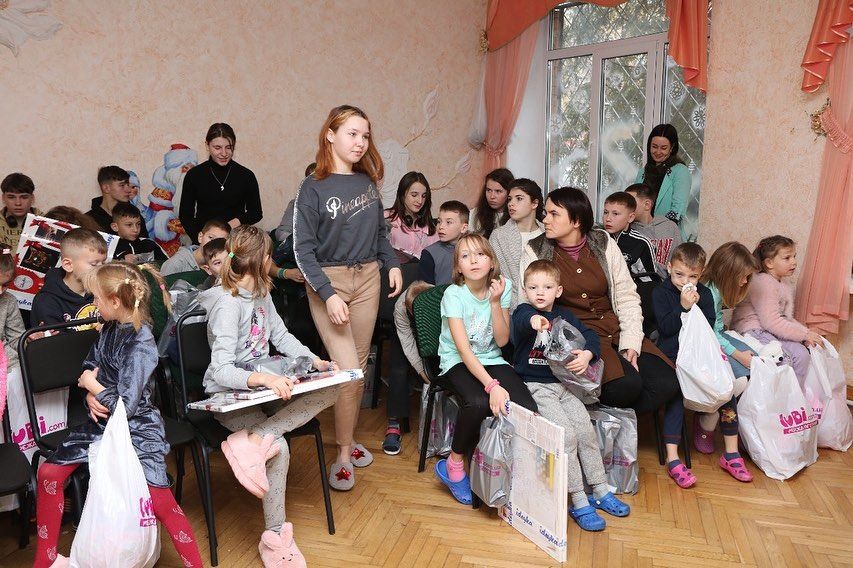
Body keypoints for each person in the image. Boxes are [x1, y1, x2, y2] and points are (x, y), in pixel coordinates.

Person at [32, 262, 203, 568]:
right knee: (48, 474)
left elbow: (127, 404)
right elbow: (91, 364)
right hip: (101, 424)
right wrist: (90, 393)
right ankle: (45, 559)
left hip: (137, 430)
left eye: (96, 298)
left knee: (160, 503)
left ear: (114, 301)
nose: (93, 303)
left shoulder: (141, 342)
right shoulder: (109, 328)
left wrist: (94, 387)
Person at [523, 187, 688, 487]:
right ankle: (587, 410)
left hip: (615, 328)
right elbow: (528, 303)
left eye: (553, 213)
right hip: (579, 337)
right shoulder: (536, 249)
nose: (545, 219)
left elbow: (626, 296)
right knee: (628, 385)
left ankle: (593, 409)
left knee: (668, 382)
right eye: (546, 212)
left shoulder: (602, 242)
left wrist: (631, 344)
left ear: (576, 220)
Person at [199, 226, 339, 566]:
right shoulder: (227, 304)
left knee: (333, 387)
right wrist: (262, 378)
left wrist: (315, 361)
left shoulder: (261, 293)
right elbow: (221, 370)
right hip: (231, 395)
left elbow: (281, 336)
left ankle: (257, 437)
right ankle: (275, 538)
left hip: (264, 387)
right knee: (279, 447)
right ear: (263, 260)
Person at [293, 105, 402, 491]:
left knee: (359, 371)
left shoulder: (367, 183)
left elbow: (380, 234)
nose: (360, 142)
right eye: (352, 134)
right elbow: (302, 251)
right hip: (330, 281)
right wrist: (327, 294)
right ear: (330, 135)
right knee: (348, 371)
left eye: (365, 135)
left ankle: (348, 440)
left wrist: (391, 263)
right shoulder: (312, 187)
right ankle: (342, 454)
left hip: (368, 278)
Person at [512, 260, 630, 530]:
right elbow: (522, 321)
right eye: (533, 287)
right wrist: (535, 321)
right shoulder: (523, 311)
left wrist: (587, 354)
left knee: (585, 432)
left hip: (564, 386)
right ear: (525, 290)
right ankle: (578, 499)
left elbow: (591, 336)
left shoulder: (564, 317)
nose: (539, 292)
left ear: (558, 290)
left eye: (547, 287)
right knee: (566, 437)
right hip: (536, 386)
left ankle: (599, 489)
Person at [434, 234, 538, 505]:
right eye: (465, 256)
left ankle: (512, 467)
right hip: (456, 361)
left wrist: (495, 302)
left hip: (492, 358)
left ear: (491, 261)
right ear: (458, 267)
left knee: (526, 406)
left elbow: (502, 341)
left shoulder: (503, 287)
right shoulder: (453, 295)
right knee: (479, 402)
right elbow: (464, 350)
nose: (473, 261)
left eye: (480, 254)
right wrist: (492, 386)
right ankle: (454, 463)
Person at [652, 243, 752, 482]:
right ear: (669, 267)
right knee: (677, 393)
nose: (685, 281)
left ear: (701, 274)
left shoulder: (705, 294)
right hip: (672, 356)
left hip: (701, 356)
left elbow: (707, 331)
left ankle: (731, 454)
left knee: (727, 390)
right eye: (679, 274)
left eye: (693, 276)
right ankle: (673, 458)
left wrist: (695, 305)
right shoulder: (660, 293)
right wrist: (683, 307)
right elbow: (666, 328)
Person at [697, 241, 760, 453]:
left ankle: (738, 426)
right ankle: (707, 421)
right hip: (705, 344)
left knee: (757, 362)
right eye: (743, 276)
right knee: (739, 380)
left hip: (716, 337)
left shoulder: (716, 291)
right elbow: (710, 334)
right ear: (728, 273)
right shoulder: (708, 293)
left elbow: (717, 329)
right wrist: (738, 355)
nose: (744, 282)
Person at [731, 235, 821, 382]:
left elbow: (786, 319)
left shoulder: (783, 285)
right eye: (787, 258)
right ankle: (779, 395)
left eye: (794, 256)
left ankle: (795, 394)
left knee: (802, 355)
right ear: (769, 263)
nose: (794, 262)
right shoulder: (764, 282)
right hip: (753, 330)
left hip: (768, 330)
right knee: (783, 359)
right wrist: (804, 335)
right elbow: (772, 322)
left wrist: (807, 333)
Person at [179, 123, 263, 241]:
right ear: (207, 146)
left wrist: (230, 225)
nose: (224, 153)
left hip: (235, 242)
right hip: (204, 243)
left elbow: (256, 213)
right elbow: (185, 216)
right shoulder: (194, 175)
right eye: (217, 148)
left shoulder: (246, 175)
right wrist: (201, 239)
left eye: (228, 147)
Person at [382, 280, 433, 455]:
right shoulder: (401, 308)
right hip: (405, 332)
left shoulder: (444, 300)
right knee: (398, 368)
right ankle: (394, 424)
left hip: (435, 329)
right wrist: (422, 372)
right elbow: (408, 345)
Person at [602, 191, 661, 335]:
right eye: (605, 212)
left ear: (630, 217)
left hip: (630, 296)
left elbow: (650, 280)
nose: (608, 218)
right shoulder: (597, 238)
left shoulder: (641, 242)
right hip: (602, 294)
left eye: (615, 214)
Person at [30, 228, 107, 327]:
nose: (101, 269)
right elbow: (54, 337)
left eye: (103, 263)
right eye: (94, 264)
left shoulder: (104, 291)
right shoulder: (46, 302)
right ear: (68, 265)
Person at [489, 178, 544, 311]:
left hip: (545, 308)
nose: (511, 204)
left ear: (534, 203)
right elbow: (494, 276)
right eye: (509, 199)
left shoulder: (547, 233)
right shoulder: (499, 236)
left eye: (519, 199)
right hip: (510, 310)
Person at [634, 124, 691, 240]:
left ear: (672, 148)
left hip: (667, 236)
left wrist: (657, 232)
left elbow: (678, 209)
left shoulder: (680, 171)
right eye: (654, 147)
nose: (658, 152)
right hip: (641, 233)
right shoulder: (642, 172)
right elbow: (633, 202)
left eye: (663, 148)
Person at [625, 183, 682, 277]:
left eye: (630, 203)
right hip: (637, 283)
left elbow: (680, 261)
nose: (626, 207)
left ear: (647, 205)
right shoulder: (626, 229)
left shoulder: (670, 227)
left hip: (666, 283)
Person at [384, 171, 438, 262]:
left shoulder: (431, 228)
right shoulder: (386, 218)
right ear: (402, 194)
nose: (420, 201)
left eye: (423, 196)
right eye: (414, 195)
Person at [85, 166, 149, 237]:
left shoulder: (134, 215)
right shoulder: (87, 220)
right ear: (106, 188)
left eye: (128, 184)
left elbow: (146, 242)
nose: (129, 190)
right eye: (122, 185)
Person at [419, 200, 469, 285]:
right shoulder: (429, 254)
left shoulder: (474, 249)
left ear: (463, 228)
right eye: (439, 221)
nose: (441, 227)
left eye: (448, 222)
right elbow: (425, 290)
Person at [161, 218, 230, 276]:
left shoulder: (225, 263)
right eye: (211, 238)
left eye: (221, 242)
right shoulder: (176, 263)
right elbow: (161, 286)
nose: (215, 244)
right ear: (200, 237)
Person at [0, 173, 42, 249]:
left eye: (24, 197)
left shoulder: (46, 222)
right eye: (11, 197)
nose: (18, 203)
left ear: (32, 198)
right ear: (3, 198)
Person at [469, 168, 513, 238]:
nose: (492, 196)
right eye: (488, 190)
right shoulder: (474, 214)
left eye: (498, 191)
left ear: (509, 192)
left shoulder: (516, 216)